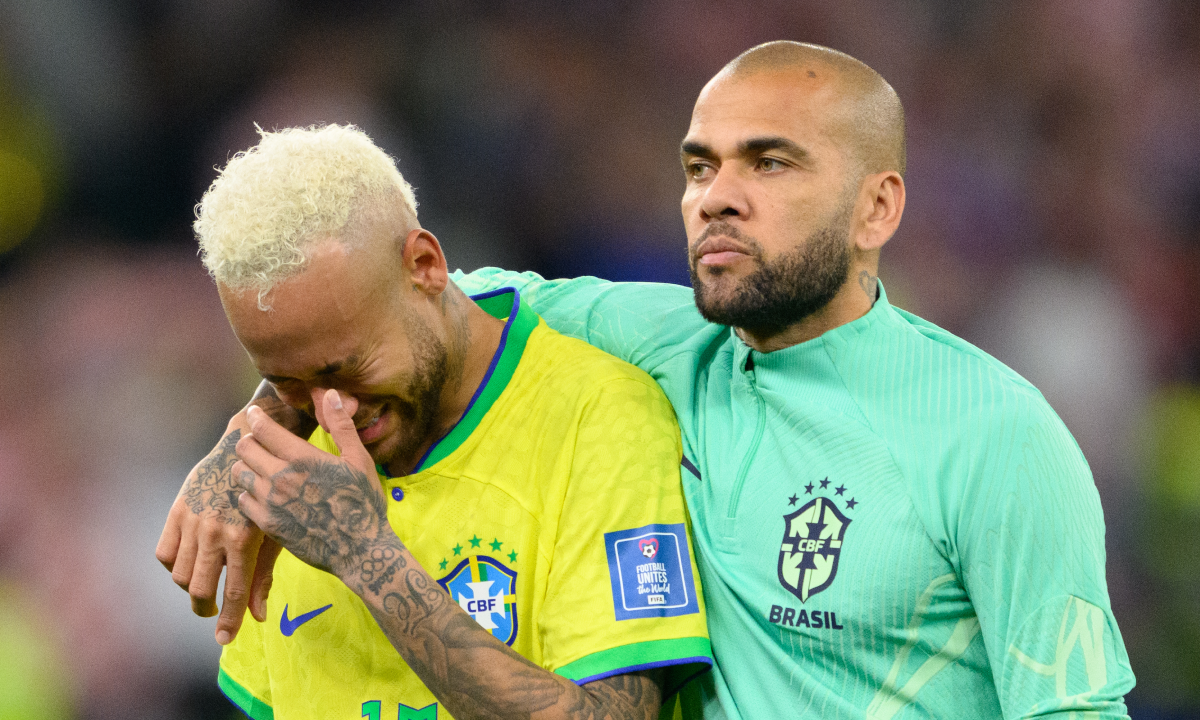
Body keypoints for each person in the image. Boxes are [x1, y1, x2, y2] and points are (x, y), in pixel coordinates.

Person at [159, 42, 1136, 718]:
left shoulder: (993, 433)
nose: (718, 196)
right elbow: (398, 313)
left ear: (877, 207)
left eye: (772, 163)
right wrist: (234, 447)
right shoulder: (666, 341)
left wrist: (365, 553)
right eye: (699, 165)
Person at [161, 123, 712, 719]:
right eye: (288, 382)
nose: (330, 410)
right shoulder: (285, 474)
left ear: (424, 266)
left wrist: (363, 554)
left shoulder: (600, 419)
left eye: (347, 367)